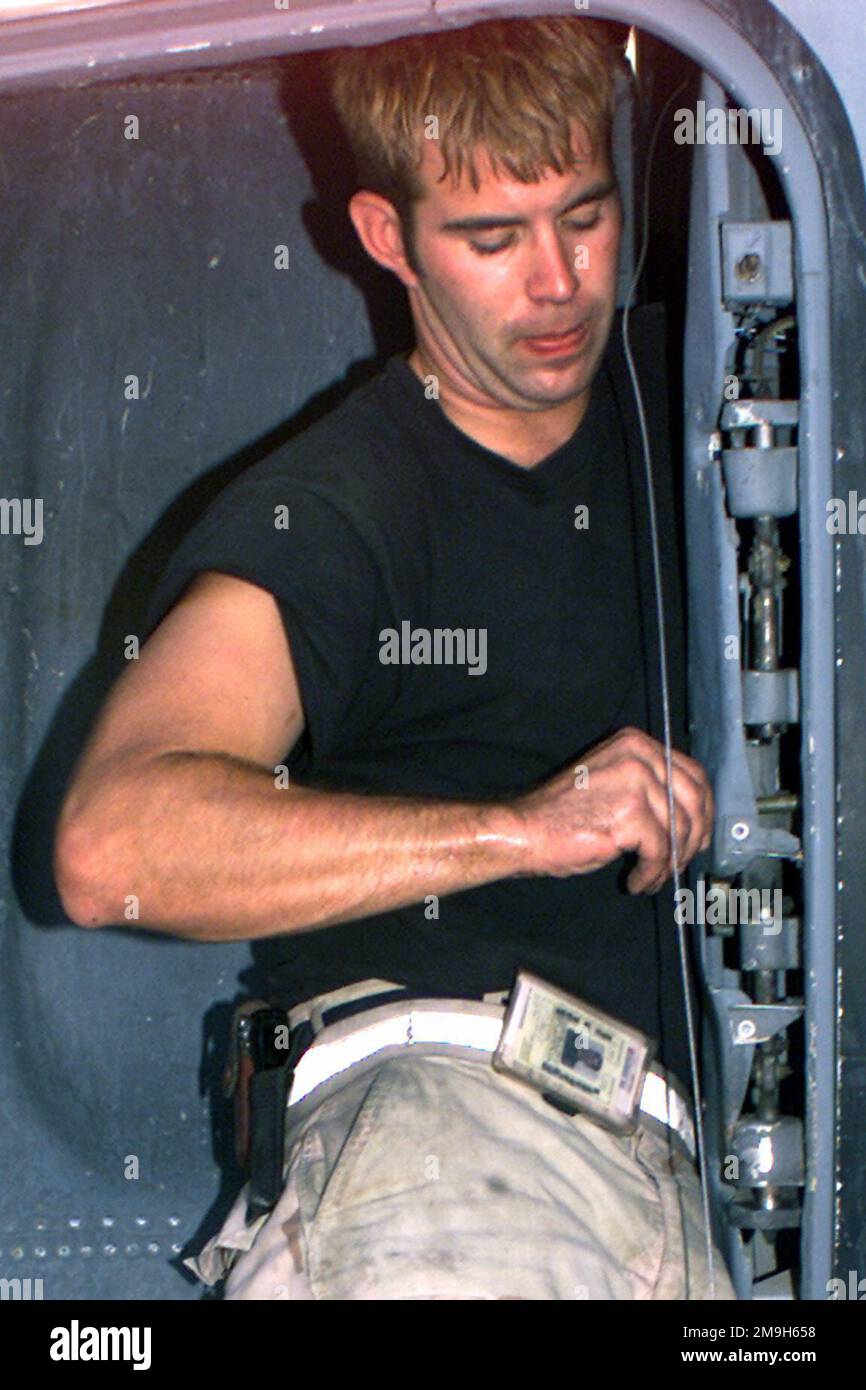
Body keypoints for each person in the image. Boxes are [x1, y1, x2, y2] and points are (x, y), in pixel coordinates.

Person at [53, 15, 735, 1299]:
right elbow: (111, 846)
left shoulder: (702, 388)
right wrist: (520, 831)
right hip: (446, 1137)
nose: (557, 282)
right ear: (385, 238)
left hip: (687, 1185)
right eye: (491, 238)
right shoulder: (341, 504)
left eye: (583, 216)